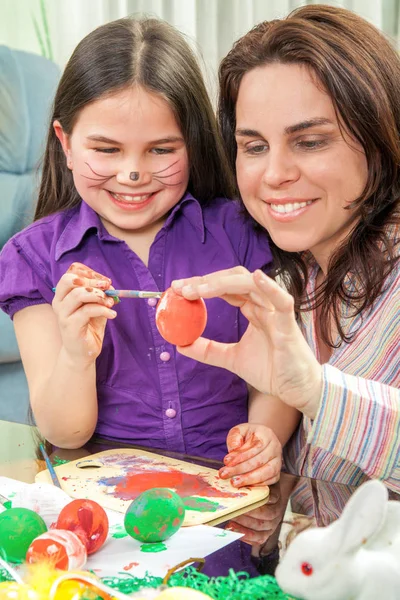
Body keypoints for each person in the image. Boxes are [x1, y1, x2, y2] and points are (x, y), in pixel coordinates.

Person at [0, 17, 299, 485]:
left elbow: (276, 373)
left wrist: (266, 434)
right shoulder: (34, 257)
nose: (133, 173)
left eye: (161, 150)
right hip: (108, 509)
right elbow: (66, 431)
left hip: (229, 492)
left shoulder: (242, 230)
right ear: (66, 144)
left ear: (192, 144)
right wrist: (76, 357)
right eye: (107, 149)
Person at [172, 5, 400, 492]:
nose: (274, 175)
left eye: (311, 141)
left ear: (380, 141)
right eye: (254, 147)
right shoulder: (291, 279)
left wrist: (317, 393)